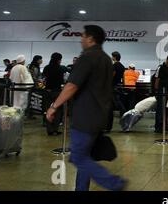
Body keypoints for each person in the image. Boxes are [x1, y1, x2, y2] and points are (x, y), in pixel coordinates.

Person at [46, 25, 126, 191]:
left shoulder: (87, 56)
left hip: (85, 116)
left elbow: (72, 85)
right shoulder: (105, 59)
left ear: (90, 38)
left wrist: (54, 106)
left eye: (83, 36)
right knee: (86, 157)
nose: (81, 39)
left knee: (78, 158)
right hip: (100, 115)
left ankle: (113, 183)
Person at [43, 53, 65, 136]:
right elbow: (62, 81)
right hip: (57, 92)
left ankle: (49, 130)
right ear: (59, 59)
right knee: (58, 111)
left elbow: (44, 78)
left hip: (47, 91)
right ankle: (55, 129)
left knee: (48, 110)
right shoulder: (60, 69)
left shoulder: (46, 68)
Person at [111, 52, 125, 130]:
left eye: (112, 56)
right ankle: (123, 115)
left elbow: (112, 74)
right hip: (119, 85)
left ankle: (124, 114)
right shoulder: (122, 66)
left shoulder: (114, 65)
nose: (111, 57)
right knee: (118, 101)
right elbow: (123, 77)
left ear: (115, 57)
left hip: (113, 85)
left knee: (116, 102)